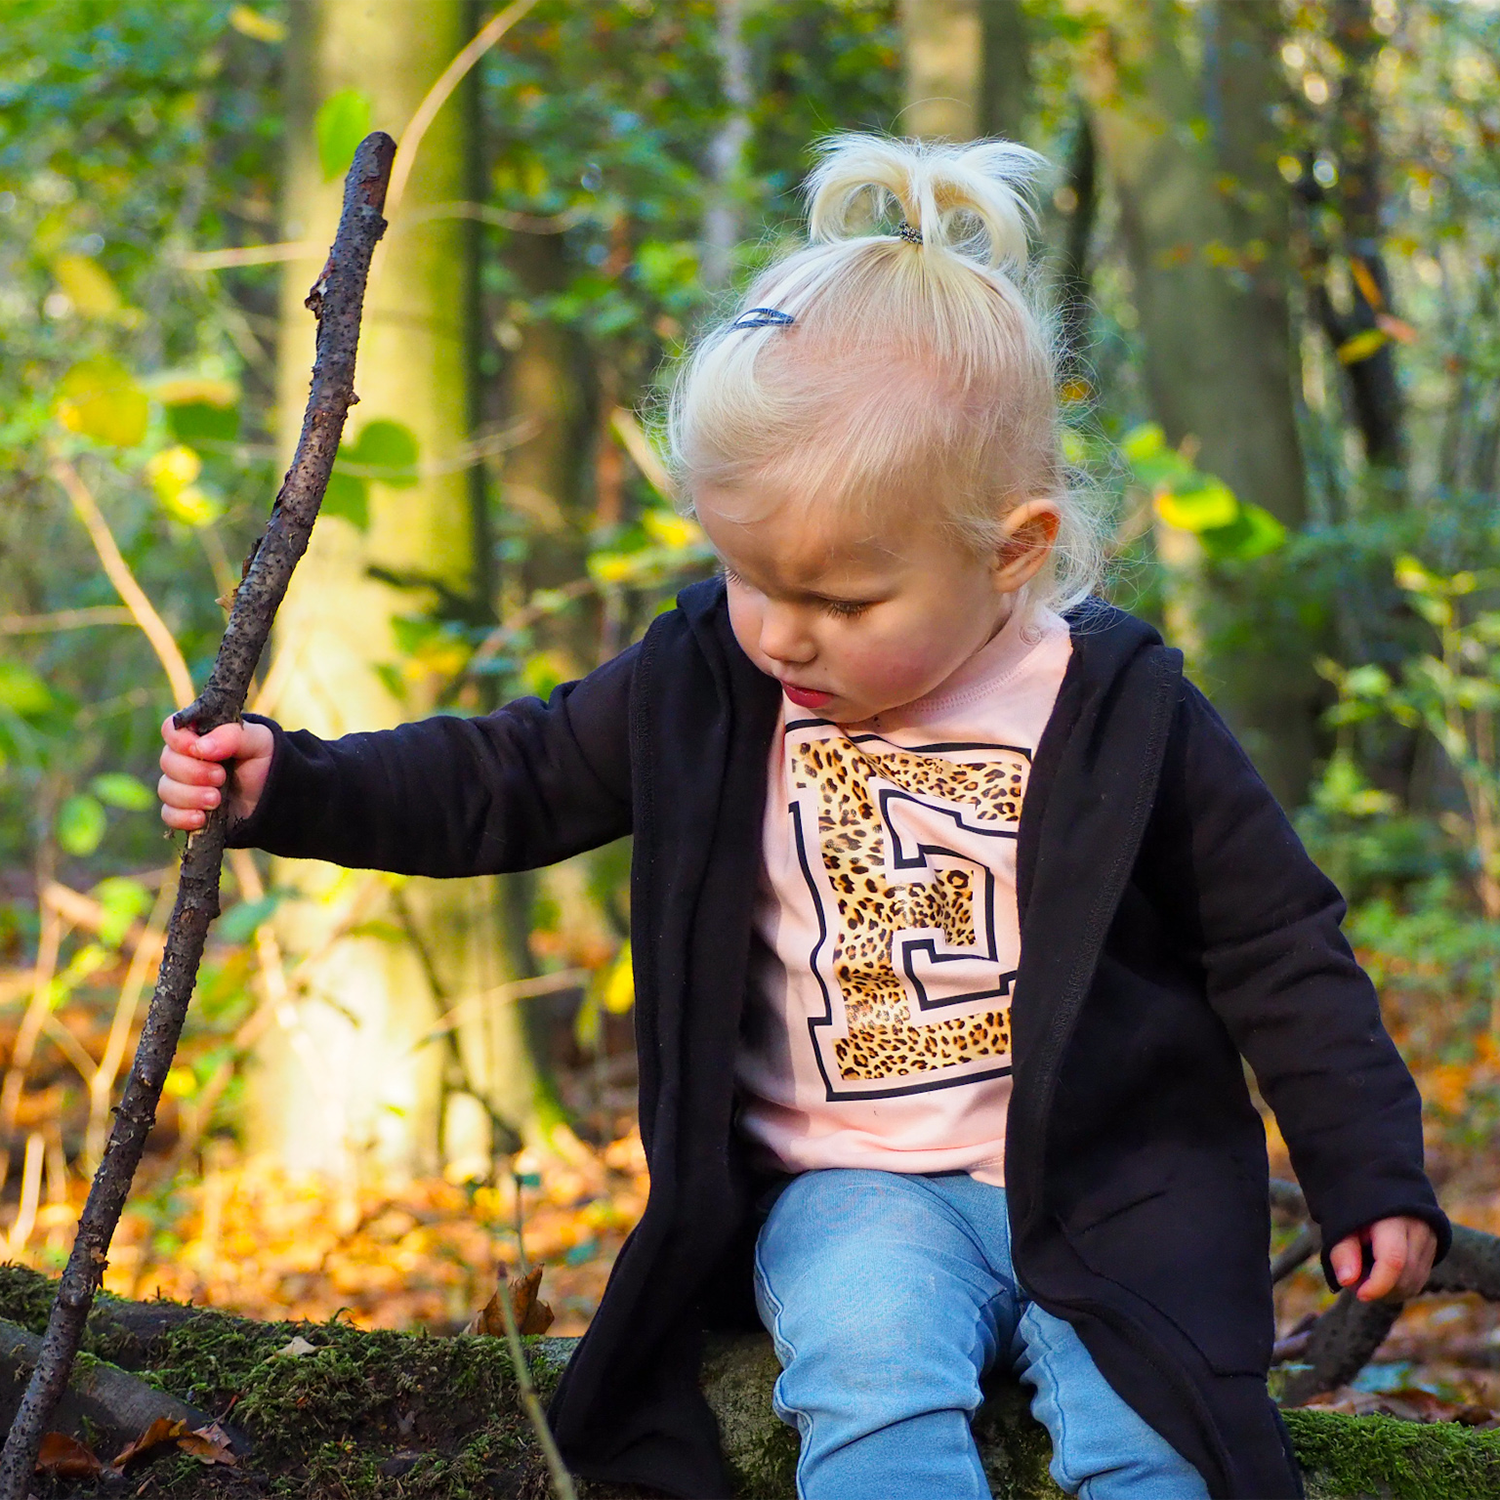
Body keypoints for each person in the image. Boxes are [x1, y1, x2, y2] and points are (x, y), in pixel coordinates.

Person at [159, 135, 1446, 1500]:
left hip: (1113, 1185)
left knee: (1157, 1435)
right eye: (746, 573)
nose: (780, 631)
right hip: (853, 1190)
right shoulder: (713, 676)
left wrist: (1370, 1174)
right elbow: (511, 779)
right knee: (870, 1380)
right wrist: (287, 785)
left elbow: (1279, 945)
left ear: (1009, 549)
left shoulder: (1119, 708)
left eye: (840, 602)